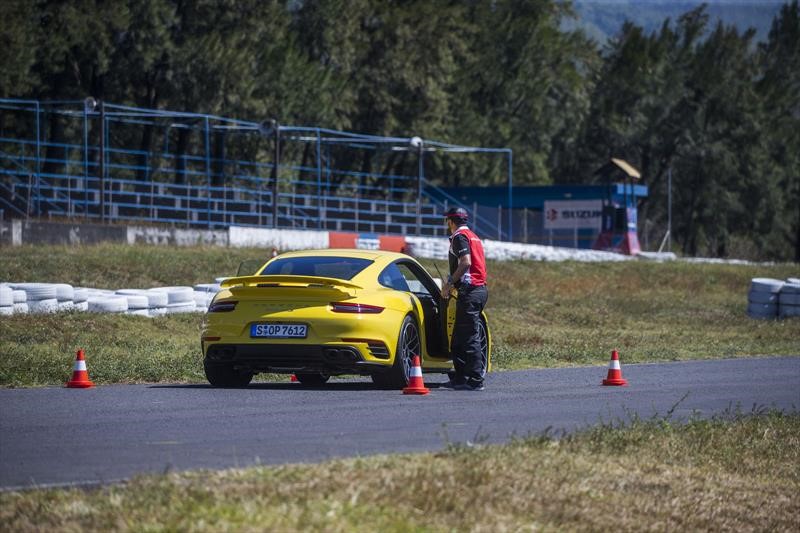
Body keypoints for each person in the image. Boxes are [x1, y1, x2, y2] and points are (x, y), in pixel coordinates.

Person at [441, 207, 489, 391]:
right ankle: (459, 378)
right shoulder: (473, 236)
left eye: (447, 221)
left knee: (469, 336)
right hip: (478, 289)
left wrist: (449, 282)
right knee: (459, 337)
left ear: (451, 221)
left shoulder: (459, 237)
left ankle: (476, 380)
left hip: (471, 291)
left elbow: (466, 262)